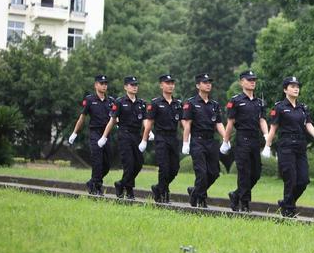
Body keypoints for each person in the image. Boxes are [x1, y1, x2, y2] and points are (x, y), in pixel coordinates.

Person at [263, 76, 314, 217]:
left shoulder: (303, 108)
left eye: (297, 86)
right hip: (286, 146)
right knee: (291, 178)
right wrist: (267, 146)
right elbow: (273, 128)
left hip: (300, 146)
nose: (296, 88)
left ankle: (286, 202)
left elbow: (308, 123)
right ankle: (288, 210)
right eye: (292, 86)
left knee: (303, 180)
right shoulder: (279, 107)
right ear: (285, 90)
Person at [223, 70, 269, 212]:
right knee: (244, 172)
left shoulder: (259, 102)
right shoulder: (236, 101)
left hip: (255, 139)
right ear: (241, 82)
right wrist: (226, 141)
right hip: (242, 139)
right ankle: (244, 203)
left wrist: (267, 135)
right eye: (249, 80)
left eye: (254, 79)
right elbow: (230, 122)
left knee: (256, 173)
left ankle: (236, 195)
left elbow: (262, 119)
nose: (252, 82)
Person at [181, 73, 229, 207]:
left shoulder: (214, 105)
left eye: (209, 82)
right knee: (201, 173)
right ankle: (200, 199)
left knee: (214, 173)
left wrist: (225, 139)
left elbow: (218, 123)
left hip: (211, 141)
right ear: (198, 85)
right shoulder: (191, 103)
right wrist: (186, 142)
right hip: (197, 141)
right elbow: (187, 124)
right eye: (205, 82)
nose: (208, 84)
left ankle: (195, 191)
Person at [98, 76, 147, 200]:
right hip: (124, 135)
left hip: (137, 136)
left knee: (139, 163)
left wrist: (148, 132)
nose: (135, 87)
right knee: (129, 164)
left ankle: (121, 183)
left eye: (136, 85)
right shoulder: (119, 102)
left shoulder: (141, 103)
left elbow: (145, 120)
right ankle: (129, 190)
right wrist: (104, 137)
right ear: (126, 87)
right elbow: (112, 120)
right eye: (132, 85)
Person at [68, 74, 114, 196]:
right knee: (97, 161)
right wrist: (74, 133)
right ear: (96, 85)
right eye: (101, 83)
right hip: (95, 133)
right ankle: (96, 187)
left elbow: (115, 118)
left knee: (107, 165)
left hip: (107, 134)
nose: (104, 86)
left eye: (105, 84)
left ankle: (92, 182)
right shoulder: (89, 100)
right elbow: (82, 118)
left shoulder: (111, 101)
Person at [142, 74, 182, 204]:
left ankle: (158, 187)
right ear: (161, 85)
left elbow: (183, 123)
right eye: (167, 83)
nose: (170, 85)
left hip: (173, 138)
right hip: (161, 138)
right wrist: (144, 139)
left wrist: (188, 137)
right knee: (164, 168)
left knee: (174, 169)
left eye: (172, 83)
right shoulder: (155, 103)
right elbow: (149, 123)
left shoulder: (178, 103)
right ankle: (163, 195)